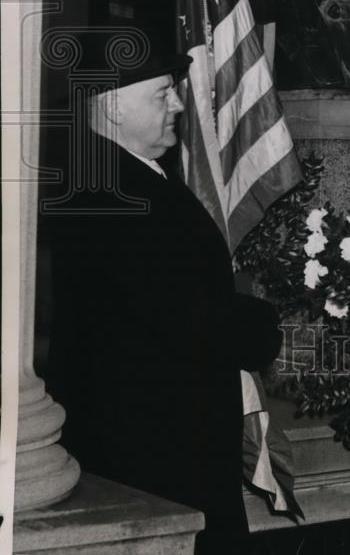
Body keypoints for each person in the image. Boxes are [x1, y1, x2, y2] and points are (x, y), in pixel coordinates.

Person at [40, 34, 282, 555]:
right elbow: (175, 319)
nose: (177, 104)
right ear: (111, 107)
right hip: (152, 449)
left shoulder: (122, 177)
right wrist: (263, 324)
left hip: (165, 436)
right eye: (162, 93)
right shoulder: (106, 193)